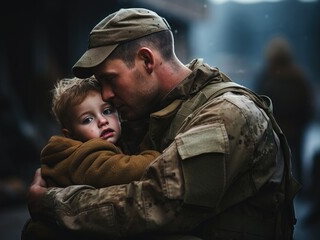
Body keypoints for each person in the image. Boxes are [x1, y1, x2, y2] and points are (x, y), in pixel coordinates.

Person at [25, 8, 301, 239]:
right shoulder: (154, 111)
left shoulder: (227, 114)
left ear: (146, 60)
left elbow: (157, 203)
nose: (106, 94)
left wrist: (53, 202)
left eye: (110, 78)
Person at [22, 76, 160, 239]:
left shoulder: (105, 145)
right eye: (88, 119)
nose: (102, 121)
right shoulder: (84, 155)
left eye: (107, 111)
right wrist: (156, 155)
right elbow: (125, 170)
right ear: (70, 134)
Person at [254, 36, 315, 184]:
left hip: (276, 127)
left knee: (276, 165)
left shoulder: (268, 75)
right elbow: (307, 102)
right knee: (294, 161)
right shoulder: (297, 75)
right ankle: (296, 187)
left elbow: (257, 99)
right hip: (291, 127)